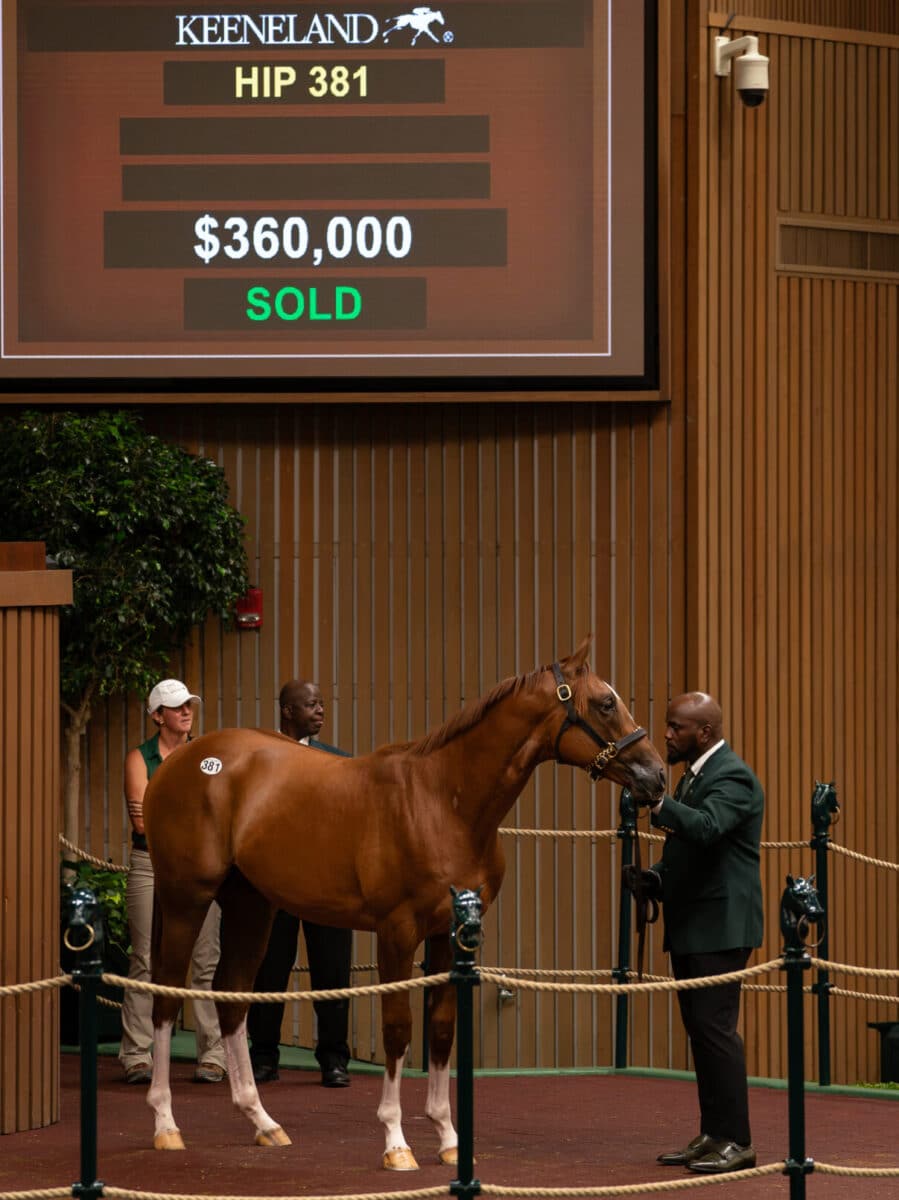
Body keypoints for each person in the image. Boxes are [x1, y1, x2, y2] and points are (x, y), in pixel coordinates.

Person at [624, 692, 763, 1174]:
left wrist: (660, 803)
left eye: (675, 727)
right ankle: (714, 1133)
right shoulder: (695, 777)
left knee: (715, 1031)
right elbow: (690, 853)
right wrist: (656, 878)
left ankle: (738, 1141)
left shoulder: (733, 777)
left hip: (721, 927)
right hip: (695, 924)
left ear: (704, 733)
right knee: (702, 1033)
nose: (666, 735)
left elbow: (705, 829)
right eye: (667, 725)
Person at [118, 679, 227, 1085]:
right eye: (177, 706)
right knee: (145, 957)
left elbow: (220, 813)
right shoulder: (139, 757)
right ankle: (135, 1054)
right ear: (156, 715)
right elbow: (142, 822)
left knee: (206, 959)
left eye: (189, 705)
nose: (186, 711)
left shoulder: (207, 756)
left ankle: (213, 1054)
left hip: (202, 869)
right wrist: (197, 825)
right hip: (151, 864)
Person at [248, 679, 353, 1088]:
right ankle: (264, 1057)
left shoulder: (340, 762)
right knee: (268, 972)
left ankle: (334, 1059)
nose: (321, 711)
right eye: (311, 705)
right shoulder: (259, 758)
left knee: (333, 973)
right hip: (274, 884)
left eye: (322, 704)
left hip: (328, 887)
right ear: (287, 711)